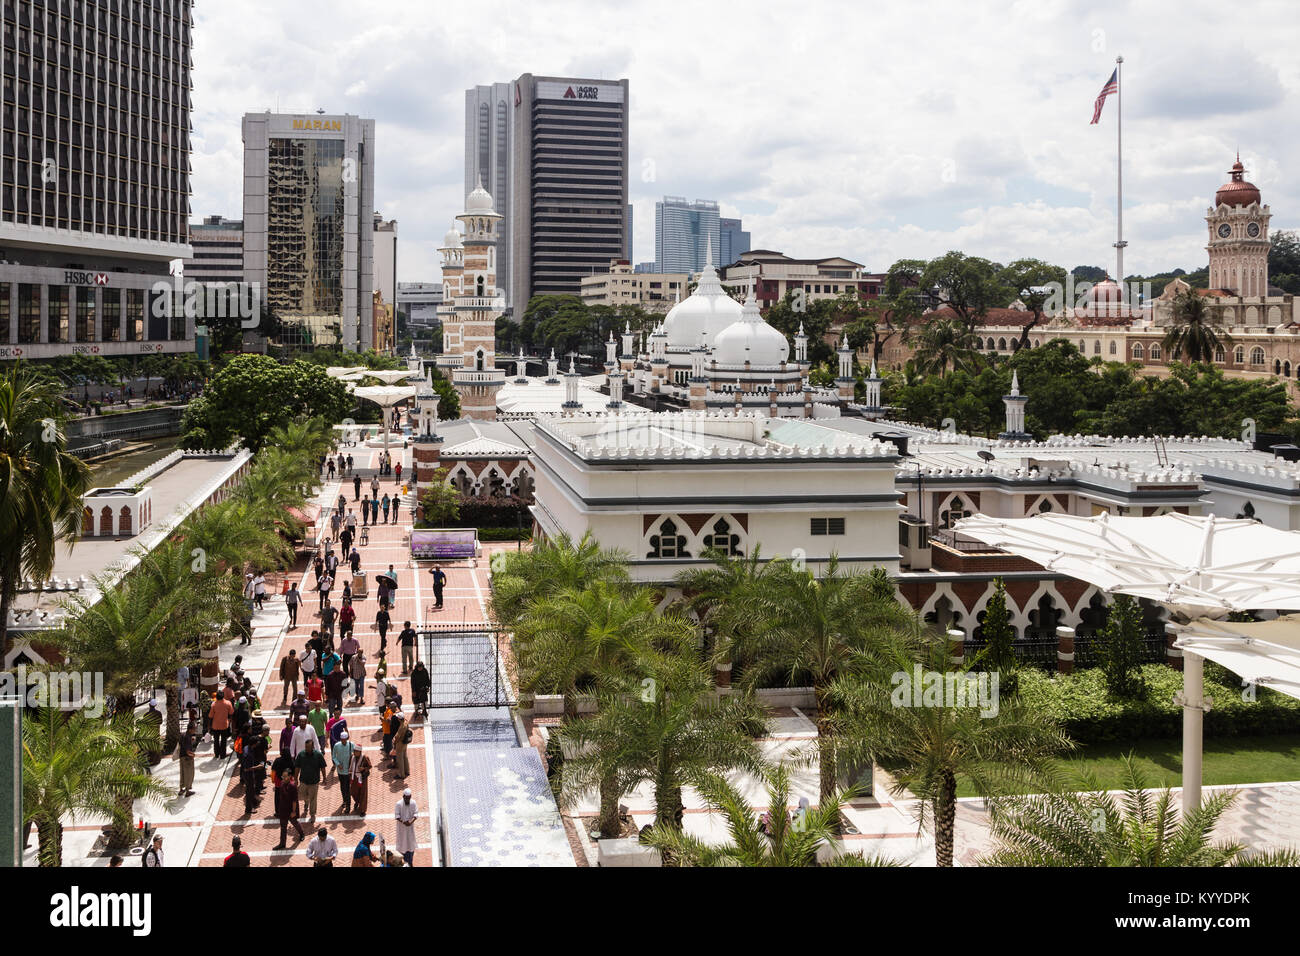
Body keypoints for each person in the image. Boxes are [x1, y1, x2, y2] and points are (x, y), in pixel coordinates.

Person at [295, 739, 326, 824]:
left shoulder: (318, 755)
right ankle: (306, 802)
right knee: (302, 795)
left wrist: (324, 778)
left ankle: (312, 814)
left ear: (313, 747)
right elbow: (297, 767)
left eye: (308, 747)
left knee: (313, 798)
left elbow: (323, 767)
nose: (307, 749)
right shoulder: (301, 755)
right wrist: (295, 779)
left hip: (314, 782)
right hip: (303, 781)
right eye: (306, 747)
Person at [273, 769, 304, 849]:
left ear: (290, 776)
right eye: (282, 776)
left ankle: (301, 833)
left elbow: (294, 801)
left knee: (294, 823)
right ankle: (282, 843)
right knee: (283, 827)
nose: (283, 778)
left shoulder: (293, 786)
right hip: (283, 809)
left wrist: (293, 811)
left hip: (291, 810)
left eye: (285, 776)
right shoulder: (282, 783)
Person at [332, 730, 357, 813]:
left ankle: (348, 806)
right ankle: (345, 801)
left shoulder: (351, 745)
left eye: (345, 739)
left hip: (348, 771)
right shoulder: (336, 746)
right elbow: (333, 757)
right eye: (342, 739)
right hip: (340, 771)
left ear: (347, 738)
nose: (343, 741)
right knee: (342, 787)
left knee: (347, 789)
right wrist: (338, 764)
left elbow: (356, 755)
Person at [395, 789, 418, 866]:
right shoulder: (398, 804)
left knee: (410, 845)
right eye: (406, 798)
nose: (407, 800)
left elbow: (416, 814)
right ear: (403, 796)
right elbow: (397, 816)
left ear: (410, 797)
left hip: (410, 829)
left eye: (409, 798)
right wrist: (403, 822)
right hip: (401, 829)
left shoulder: (413, 803)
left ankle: (410, 862)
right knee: (402, 844)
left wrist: (411, 822)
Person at [349, 744, 373, 816]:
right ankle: (357, 801)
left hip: (362, 778)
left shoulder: (364, 758)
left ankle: (362, 810)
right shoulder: (352, 757)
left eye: (356, 751)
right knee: (353, 792)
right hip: (354, 778)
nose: (354, 752)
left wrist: (363, 769)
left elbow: (370, 766)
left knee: (363, 793)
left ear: (360, 751)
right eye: (354, 751)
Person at [209, 692, 234, 759]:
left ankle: (217, 754)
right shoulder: (228, 703)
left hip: (215, 725)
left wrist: (210, 726)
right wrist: (230, 721)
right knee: (223, 740)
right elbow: (231, 713)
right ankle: (223, 755)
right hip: (224, 725)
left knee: (216, 740)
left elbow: (211, 716)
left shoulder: (213, 704)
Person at [176, 723, 196, 797]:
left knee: (182, 773)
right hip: (187, 758)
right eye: (194, 729)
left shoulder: (183, 735)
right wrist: (193, 755)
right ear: (190, 729)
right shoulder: (187, 737)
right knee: (189, 774)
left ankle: (181, 789)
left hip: (181, 757)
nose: (195, 730)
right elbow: (188, 751)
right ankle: (187, 791)